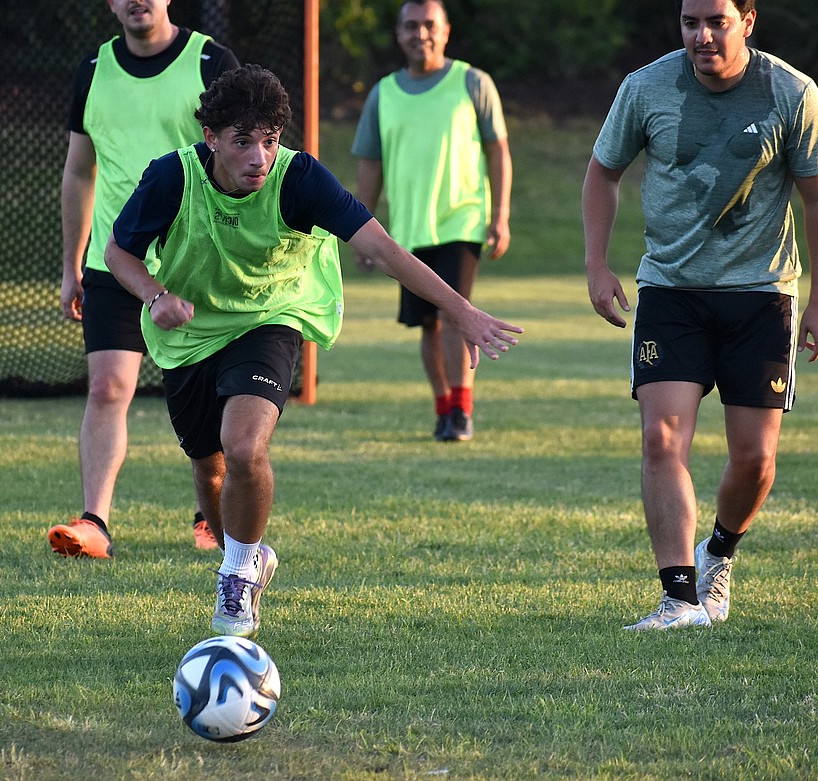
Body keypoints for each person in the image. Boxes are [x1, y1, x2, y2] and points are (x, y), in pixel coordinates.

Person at [105, 64, 522, 638]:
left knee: (244, 445)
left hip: (273, 317)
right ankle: (244, 555)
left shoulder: (299, 178)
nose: (259, 157)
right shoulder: (172, 178)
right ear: (212, 139)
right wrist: (156, 295)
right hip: (191, 329)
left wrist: (462, 311)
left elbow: (385, 248)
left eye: (270, 141)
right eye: (243, 142)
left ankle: (239, 573)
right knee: (209, 467)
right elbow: (118, 252)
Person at [582, 0, 818, 630]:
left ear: (747, 21)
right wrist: (596, 265)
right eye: (689, 22)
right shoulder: (645, 88)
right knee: (660, 439)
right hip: (672, 292)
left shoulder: (792, 93)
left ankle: (717, 555)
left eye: (715, 21)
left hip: (762, 296)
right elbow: (602, 173)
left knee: (755, 459)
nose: (701, 36)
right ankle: (677, 597)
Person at [49, 0, 239, 558]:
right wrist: (71, 264)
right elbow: (79, 171)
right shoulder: (92, 71)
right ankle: (95, 524)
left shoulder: (210, 60)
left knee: (212, 398)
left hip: (196, 263)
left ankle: (212, 516)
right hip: (115, 260)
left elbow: (242, 156)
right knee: (107, 386)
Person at [351, 0, 512, 442]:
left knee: (454, 310)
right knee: (427, 322)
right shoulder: (384, 93)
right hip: (408, 230)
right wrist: (361, 229)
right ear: (399, 34)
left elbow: (498, 150)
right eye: (410, 26)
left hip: (461, 222)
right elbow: (370, 162)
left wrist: (500, 215)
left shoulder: (473, 83)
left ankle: (461, 409)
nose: (419, 33)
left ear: (445, 31)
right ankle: (443, 407)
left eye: (428, 25)